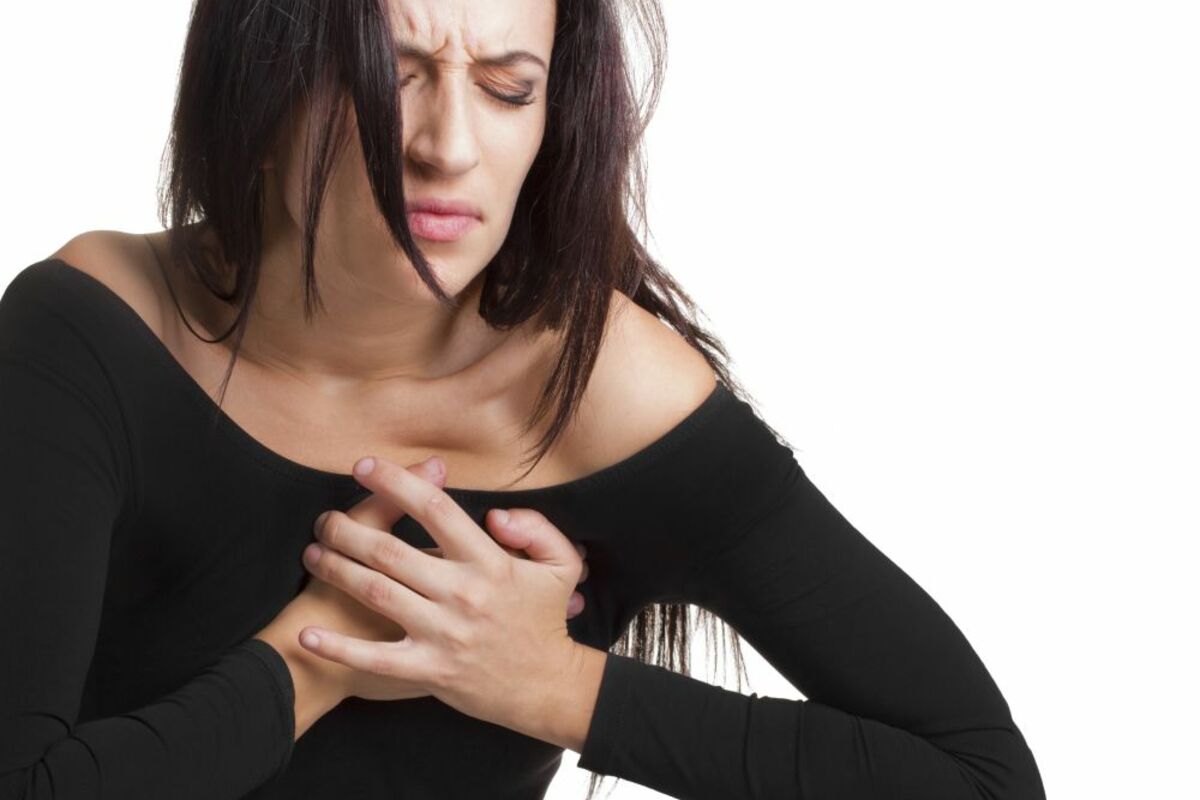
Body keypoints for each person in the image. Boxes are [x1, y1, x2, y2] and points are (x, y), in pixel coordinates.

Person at [0, 1, 1046, 798]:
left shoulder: (605, 392)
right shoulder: (92, 330)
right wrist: (314, 659)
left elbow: (981, 778)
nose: (448, 146)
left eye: (508, 88)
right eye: (390, 76)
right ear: (259, 87)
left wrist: (547, 682)